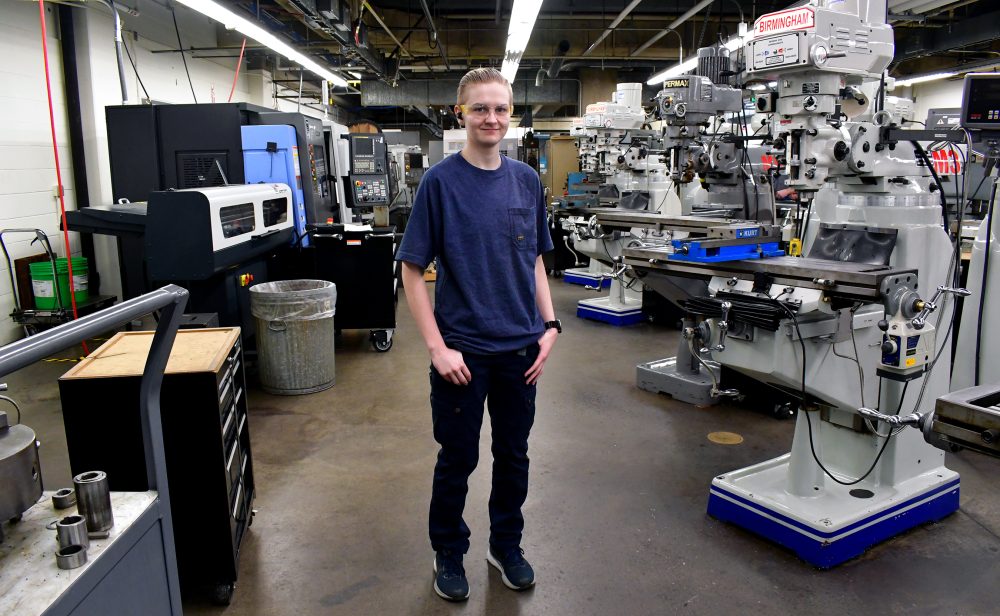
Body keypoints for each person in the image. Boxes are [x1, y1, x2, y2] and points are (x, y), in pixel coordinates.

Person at [396, 67, 560, 602]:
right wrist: (437, 348)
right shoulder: (439, 183)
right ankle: (449, 551)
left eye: (501, 109)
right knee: (458, 459)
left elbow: (535, 258)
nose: (491, 118)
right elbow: (412, 271)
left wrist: (550, 324)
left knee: (514, 456)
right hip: (463, 354)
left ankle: (505, 546)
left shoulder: (527, 181)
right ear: (460, 113)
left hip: (521, 350)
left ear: (511, 115)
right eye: (480, 109)